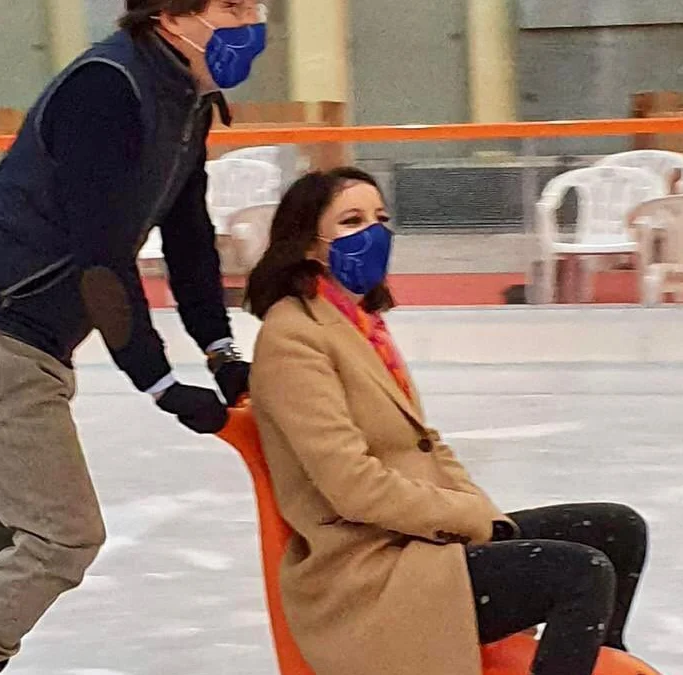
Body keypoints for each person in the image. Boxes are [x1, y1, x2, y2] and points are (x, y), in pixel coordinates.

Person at [0, 2, 266, 674]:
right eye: (234, 5)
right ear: (172, 14)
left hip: (8, 341)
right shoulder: (108, 87)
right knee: (62, 536)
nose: (253, 19)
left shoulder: (187, 99)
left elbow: (187, 237)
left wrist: (221, 350)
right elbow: (102, 258)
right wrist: (157, 381)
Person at [245, 167, 649, 675]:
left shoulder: (362, 327)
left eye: (380, 218)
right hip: (369, 573)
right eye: (352, 221)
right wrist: (468, 522)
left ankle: (601, 666)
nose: (374, 233)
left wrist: (485, 516)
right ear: (308, 243)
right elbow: (352, 486)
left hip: (419, 543)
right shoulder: (293, 339)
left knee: (617, 531)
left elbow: (427, 446)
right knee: (579, 573)